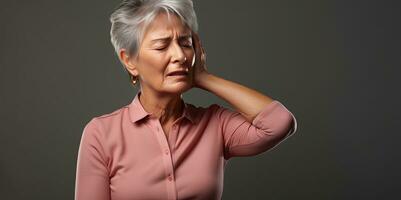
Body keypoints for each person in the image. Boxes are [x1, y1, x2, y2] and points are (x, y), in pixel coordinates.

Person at [74, 0, 298, 199]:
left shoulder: (216, 124)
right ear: (129, 60)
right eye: (162, 46)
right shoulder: (101, 134)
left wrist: (204, 78)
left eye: (185, 43)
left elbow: (279, 123)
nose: (180, 56)